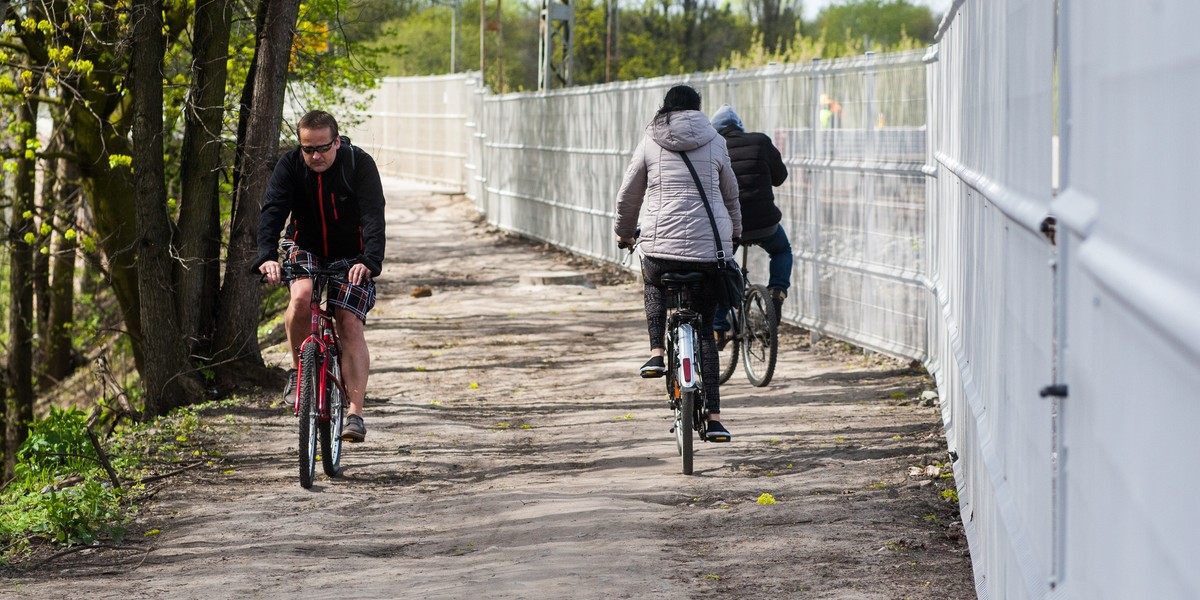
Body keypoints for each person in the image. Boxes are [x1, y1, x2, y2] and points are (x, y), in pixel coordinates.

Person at [614, 85, 742, 442]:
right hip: (709, 254)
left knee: (652, 280)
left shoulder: (651, 140)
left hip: (659, 248)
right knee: (704, 331)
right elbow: (731, 195)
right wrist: (734, 235)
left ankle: (656, 352)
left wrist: (624, 233)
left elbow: (629, 193)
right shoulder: (716, 140)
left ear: (665, 108)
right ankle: (714, 417)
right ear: (698, 109)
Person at [254, 110, 386, 443]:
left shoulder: (359, 165)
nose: (315, 156)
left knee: (349, 322)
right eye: (308, 149)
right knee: (300, 298)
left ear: (337, 142)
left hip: (351, 255)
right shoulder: (290, 166)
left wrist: (370, 260)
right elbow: (273, 210)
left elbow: (373, 214)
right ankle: (300, 373)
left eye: (323, 148)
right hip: (305, 246)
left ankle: (355, 413)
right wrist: (267, 256)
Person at [708, 104, 791, 338]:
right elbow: (780, 177)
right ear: (740, 126)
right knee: (782, 250)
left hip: (731, 227)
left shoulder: (713, 149)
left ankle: (717, 325)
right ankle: (777, 290)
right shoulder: (761, 142)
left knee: (723, 267)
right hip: (766, 223)